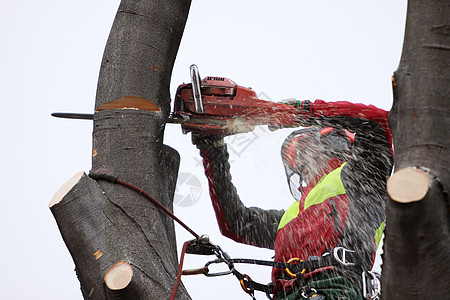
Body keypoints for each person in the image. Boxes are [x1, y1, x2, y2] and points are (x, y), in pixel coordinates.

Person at [192, 99, 393, 299]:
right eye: (296, 162)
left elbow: (378, 122)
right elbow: (235, 223)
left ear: (337, 145)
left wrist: (302, 112)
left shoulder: (363, 178)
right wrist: (214, 149)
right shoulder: (291, 215)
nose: (299, 165)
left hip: (336, 288)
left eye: (305, 152)